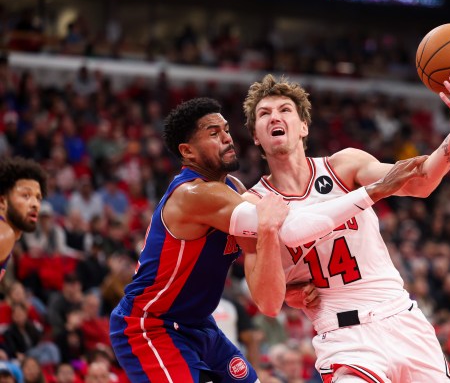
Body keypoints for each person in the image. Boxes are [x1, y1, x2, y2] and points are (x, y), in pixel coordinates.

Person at [109, 97, 428, 383]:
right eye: (213, 133)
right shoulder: (194, 194)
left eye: (226, 130)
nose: (226, 138)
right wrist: (374, 191)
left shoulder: (232, 187)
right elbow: (290, 229)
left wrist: (291, 289)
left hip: (197, 323)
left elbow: (267, 249)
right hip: (151, 326)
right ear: (187, 151)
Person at [242, 72, 450, 382]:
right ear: (255, 135)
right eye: (264, 113)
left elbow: (420, 184)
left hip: (401, 318)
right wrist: (286, 284)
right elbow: (266, 302)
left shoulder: (344, 165)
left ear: (303, 126)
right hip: (345, 337)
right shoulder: (252, 204)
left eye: (284, 110)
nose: (274, 117)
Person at [0, 157, 47, 282]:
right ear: (2, 201)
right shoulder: (3, 234)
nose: (35, 204)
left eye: (38, 198)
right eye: (26, 195)